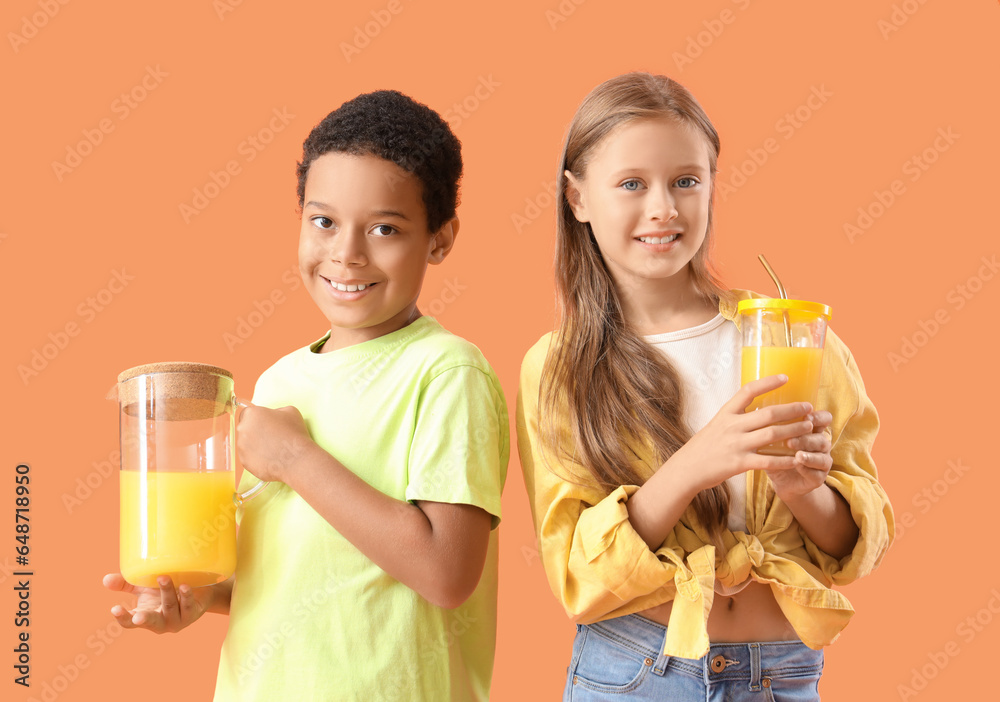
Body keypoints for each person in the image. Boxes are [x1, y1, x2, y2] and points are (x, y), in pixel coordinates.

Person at [104, 90, 509, 701]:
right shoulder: (278, 382)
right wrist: (200, 597)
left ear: (440, 239)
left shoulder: (447, 372)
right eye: (323, 221)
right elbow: (290, 572)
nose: (346, 253)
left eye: (385, 228)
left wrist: (296, 460)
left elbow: (446, 573)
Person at [516, 72, 893, 700]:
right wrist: (694, 464)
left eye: (685, 181)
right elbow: (580, 576)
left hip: (782, 675)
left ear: (712, 186)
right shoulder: (560, 369)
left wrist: (803, 492)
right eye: (631, 184)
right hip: (635, 674)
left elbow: (857, 544)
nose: (663, 207)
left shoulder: (793, 339)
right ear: (577, 199)